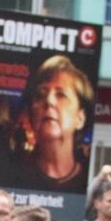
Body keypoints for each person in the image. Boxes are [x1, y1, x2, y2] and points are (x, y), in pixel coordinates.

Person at [7, 55, 94, 192]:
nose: (49, 101)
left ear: (80, 118)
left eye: (61, 95)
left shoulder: (88, 184)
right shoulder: (11, 176)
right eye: (40, 95)